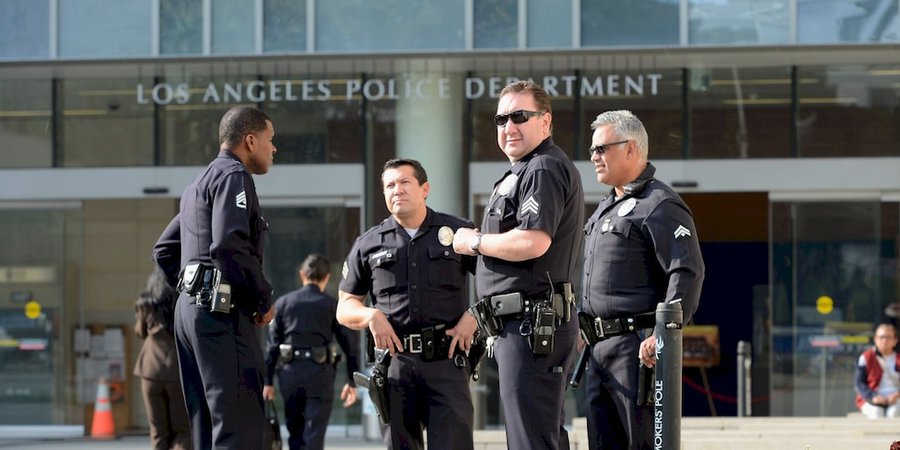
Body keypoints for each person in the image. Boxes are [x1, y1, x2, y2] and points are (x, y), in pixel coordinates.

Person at [452, 80, 584, 450]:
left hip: (532, 325)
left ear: (546, 122)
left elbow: (532, 241)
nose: (509, 126)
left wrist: (475, 242)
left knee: (531, 440)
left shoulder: (542, 168)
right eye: (501, 119)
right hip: (522, 325)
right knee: (538, 435)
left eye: (520, 116)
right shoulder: (524, 171)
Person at [153, 105, 277, 450]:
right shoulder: (234, 176)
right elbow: (228, 245)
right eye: (270, 139)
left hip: (190, 315)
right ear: (250, 140)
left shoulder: (197, 185)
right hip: (222, 315)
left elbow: (164, 251)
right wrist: (262, 299)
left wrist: (194, 289)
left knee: (207, 427)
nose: (274, 148)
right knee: (238, 425)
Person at [579, 110, 704, 450]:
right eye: (592, 150)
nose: (594, 157)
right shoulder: (606, 206)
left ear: (631, 148)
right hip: (598, 349)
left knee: (643, 443)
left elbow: (687, 271)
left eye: (601, 148)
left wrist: (664, 336)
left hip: (637, 350)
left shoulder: (659, 204)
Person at [337, 158, 478, 450]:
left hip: (446, 362)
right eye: (390, 185)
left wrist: (475, 315)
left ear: (425, 189)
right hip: (394, 368)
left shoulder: (458, 232)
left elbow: (497, 281)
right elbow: (345, 306)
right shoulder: (369, 243)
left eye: (404, 182)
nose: (397, 190)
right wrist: (370, 316)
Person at [263, 254, 361, 450]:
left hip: (290, 374)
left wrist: (267, 381)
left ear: (302, 274)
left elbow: (272, 346)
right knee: (315, 432)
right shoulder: (332, 305)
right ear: (327, 277)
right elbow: (350, 345)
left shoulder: (284, 303)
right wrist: (352, 380)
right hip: (320, 375)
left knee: (294, 432)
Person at [133, 267, 192, 450]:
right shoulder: (183, 301)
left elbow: (140, 332)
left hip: (150, 370)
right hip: (178, 371)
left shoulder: (146, 304)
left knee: (158, 432)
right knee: (183, 431)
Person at [855, 322, 900, 418]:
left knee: (894, 413)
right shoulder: (866, 357)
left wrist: (897, 395)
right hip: (872, 398)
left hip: (896, 398)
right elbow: (859, 383)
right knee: (876, 412)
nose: (884, 340)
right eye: (881, 337)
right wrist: (873, 396)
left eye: (888, 337)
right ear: (875, 339)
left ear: (895, 340)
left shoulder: (898, 358)